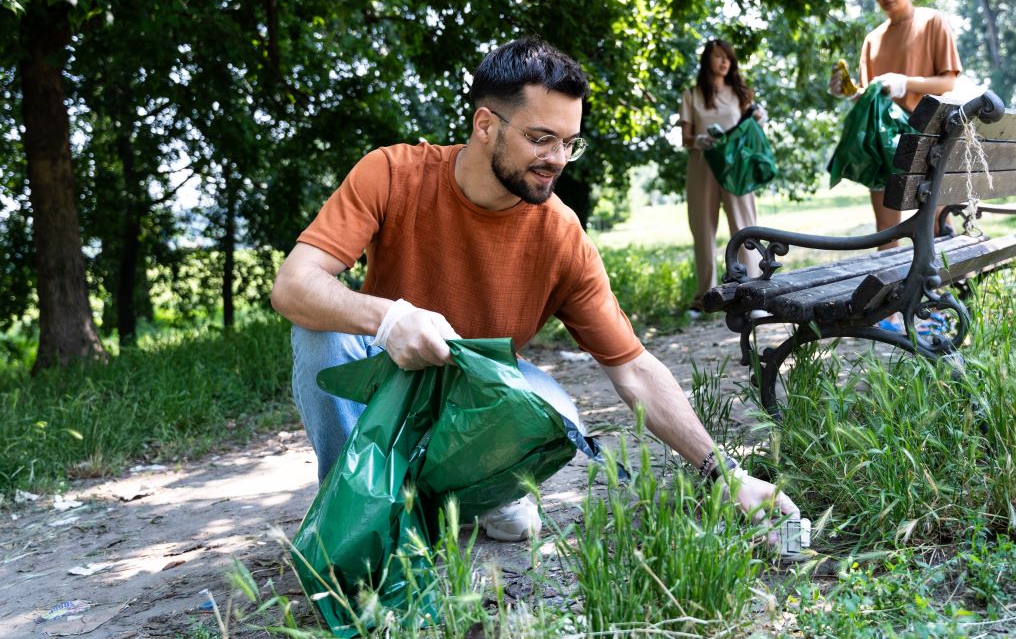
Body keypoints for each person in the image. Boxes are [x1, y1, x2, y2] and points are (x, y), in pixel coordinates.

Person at [271, 37, 800, 543]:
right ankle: (353, 512)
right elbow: (294, 286)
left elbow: (633, 367)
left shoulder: (561, 234)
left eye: (569, 142)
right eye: (540, 138)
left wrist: (724, 472)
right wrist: (387, 319)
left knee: (558, 414)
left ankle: (474, 491)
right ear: (485, 124)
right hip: (386, 378)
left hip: (475, 402)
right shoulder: (392, 173)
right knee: (320, 334)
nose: (558, 158)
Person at [830, 0, 962, 248]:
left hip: (927, 140)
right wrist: (849, 92)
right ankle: (892, 296)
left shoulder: (933, 22)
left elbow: (948, 82)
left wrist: (905, 82)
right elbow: (872, 96)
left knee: (935, 224)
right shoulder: (872, 40)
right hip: (884, 145)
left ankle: (949, 289)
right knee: (885, 230)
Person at [679, 39, 766, 320]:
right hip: (703, 163)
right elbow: (685, 138)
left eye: (728, 57)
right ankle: (705, 297)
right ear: (708, 60)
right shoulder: (691, 94)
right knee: (702, 230)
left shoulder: (742, 93)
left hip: (736, 166)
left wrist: (759, 118)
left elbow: (751, 129)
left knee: (744, 228)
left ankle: (751, 293)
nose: (724, 61)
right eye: (718, 56)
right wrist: (700, 140)